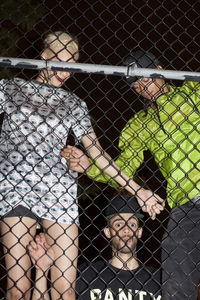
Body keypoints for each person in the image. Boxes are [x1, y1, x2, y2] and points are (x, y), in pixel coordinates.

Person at [0, 35, 164, 300]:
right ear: (43, 55)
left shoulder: (74, 103)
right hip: (16, 185)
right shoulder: (11, 88)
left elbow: (97, 153)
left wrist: (138, 191)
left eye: (72, 66)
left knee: (65, 290)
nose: (66, 73)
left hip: (59, 190)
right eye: (60, 62)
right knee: (18, 287)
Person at [62, 50, 200, 299]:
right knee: (175, 267)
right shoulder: (140, 123)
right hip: (185, 204)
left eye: (145, 77)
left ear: (160, 69)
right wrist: (89, 166)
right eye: (135, 83)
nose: (141, 85)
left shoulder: (192, 91)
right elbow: (125, 166)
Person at [27, 194, 161, 300]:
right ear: (108, 232)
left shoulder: (158, 279)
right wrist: (41, 271)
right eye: (119, 225)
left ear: (139, 232)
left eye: (132, 224)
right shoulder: (86, 276)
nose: (126, 229)